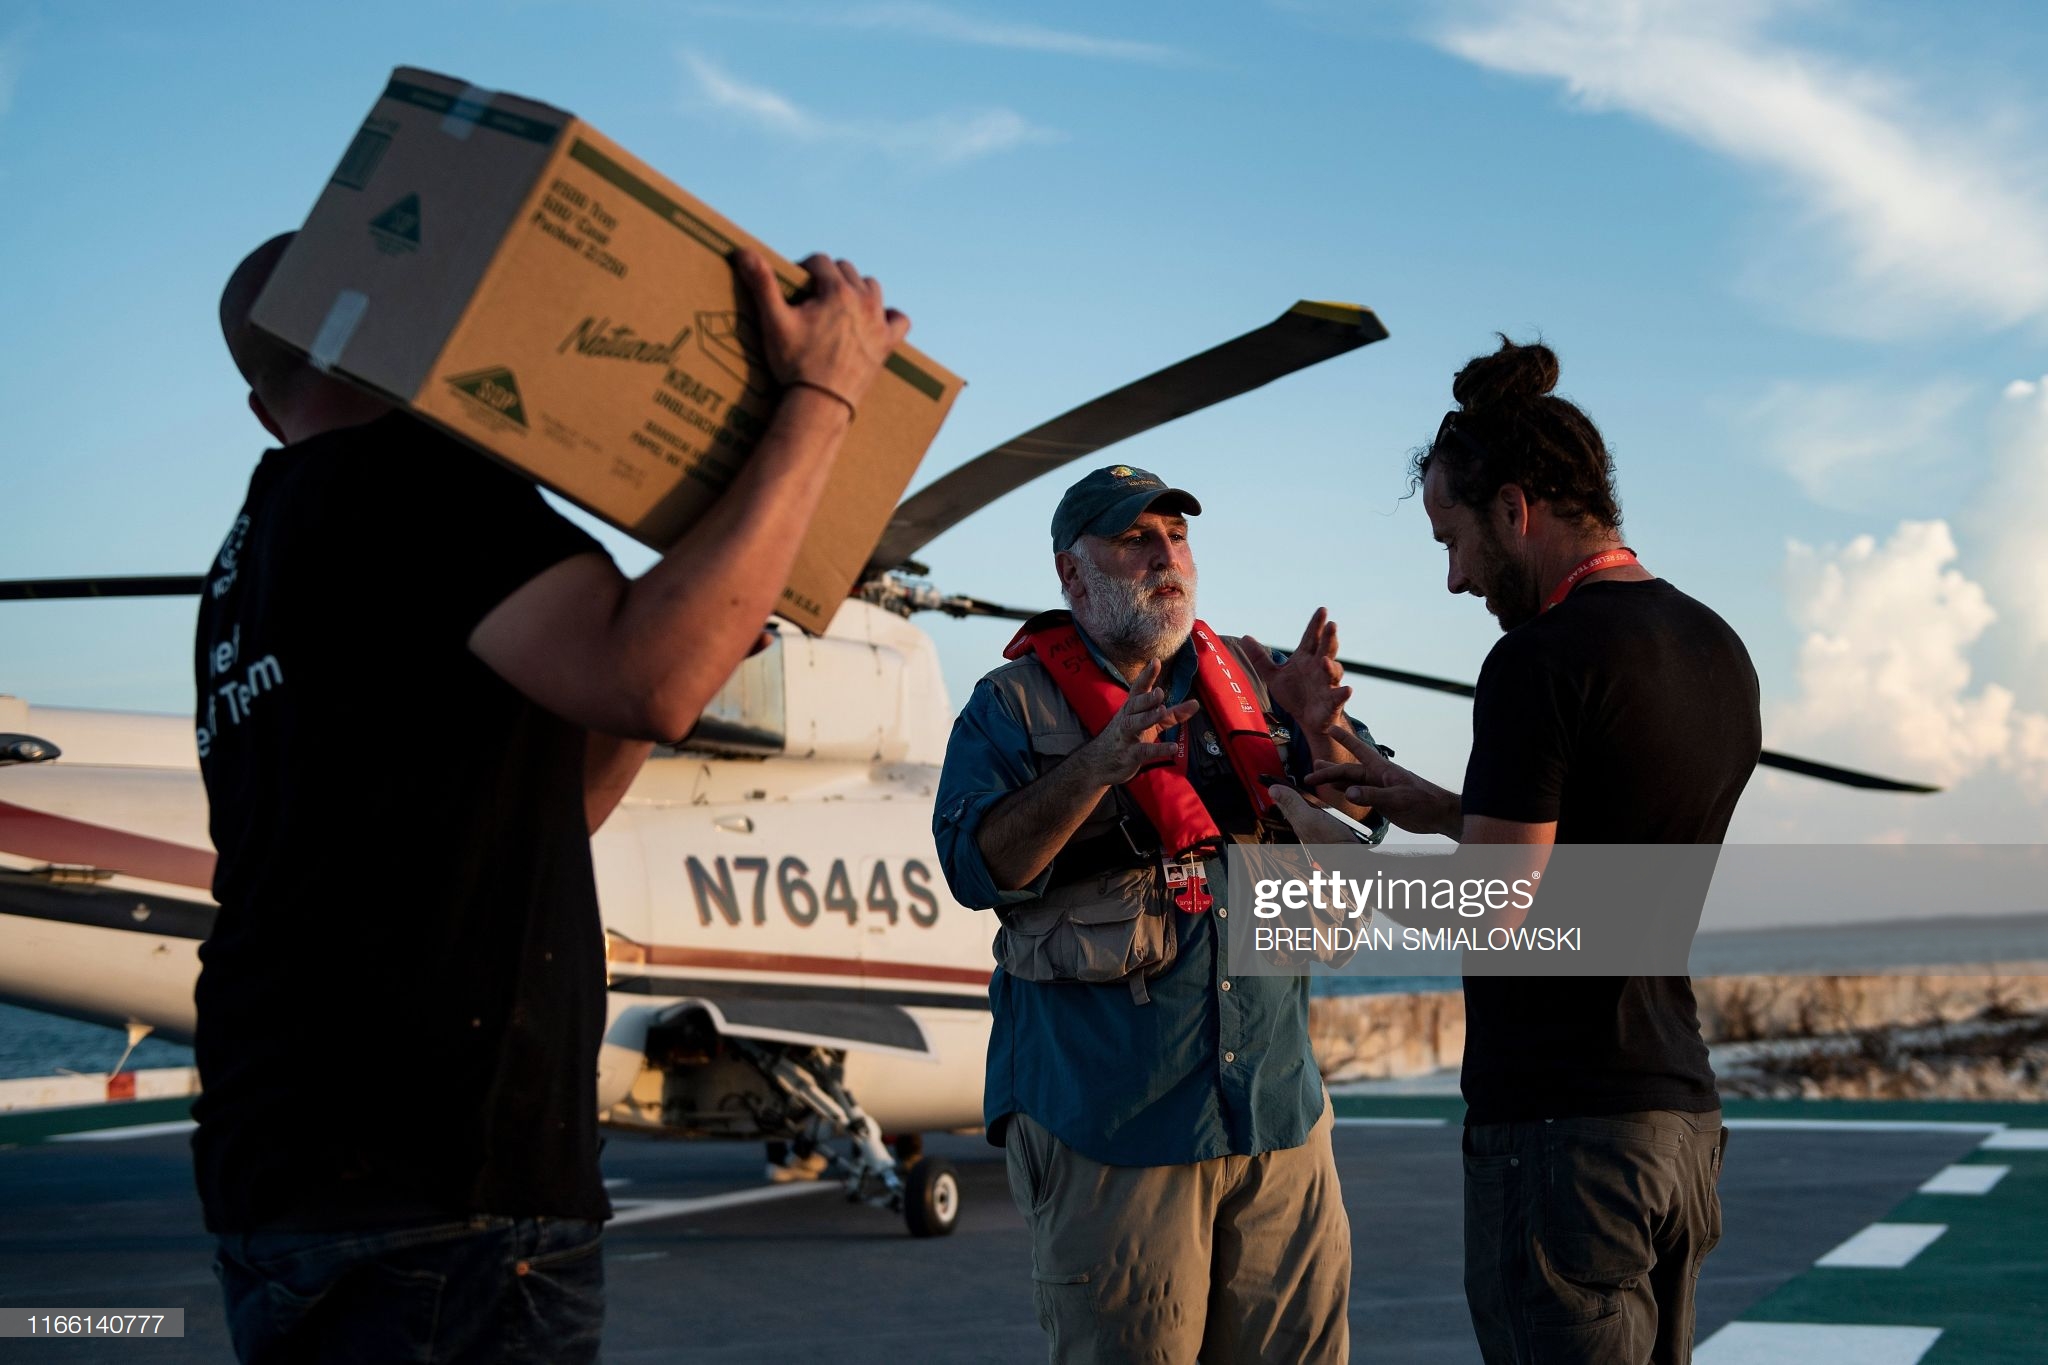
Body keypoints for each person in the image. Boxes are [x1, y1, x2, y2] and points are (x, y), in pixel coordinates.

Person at [193, 232, 908, 1363]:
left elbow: (547, 805)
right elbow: (649, 679)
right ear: (404, 328)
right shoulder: (414, 481)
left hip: (287, 1173)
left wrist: (694, 627)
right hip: (444, 1175)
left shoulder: (253, 565)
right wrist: (823, 396)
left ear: (261, 409)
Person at [1269, 338, 1759, 1365]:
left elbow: (1492, 911)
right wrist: (1438, 805)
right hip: (1677, 1123)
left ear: (1513, 509)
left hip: (1561, 1137)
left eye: (1452, 539)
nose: (1454, 578)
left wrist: (1329, 853)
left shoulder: (1536, 661)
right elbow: (1598, 841)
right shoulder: (1718, 650)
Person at [933, 464, 1385, 1364]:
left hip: (1278, 1118)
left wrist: (1322, 731)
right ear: (1072, 574)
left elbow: (1367, 811)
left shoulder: (1255, 683)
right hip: (1111, 1127)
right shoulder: (1009, 705)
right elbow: (974, 865)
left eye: (1176, 536)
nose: (1165, 556)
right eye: (1134, 538)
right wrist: (1094, 766)